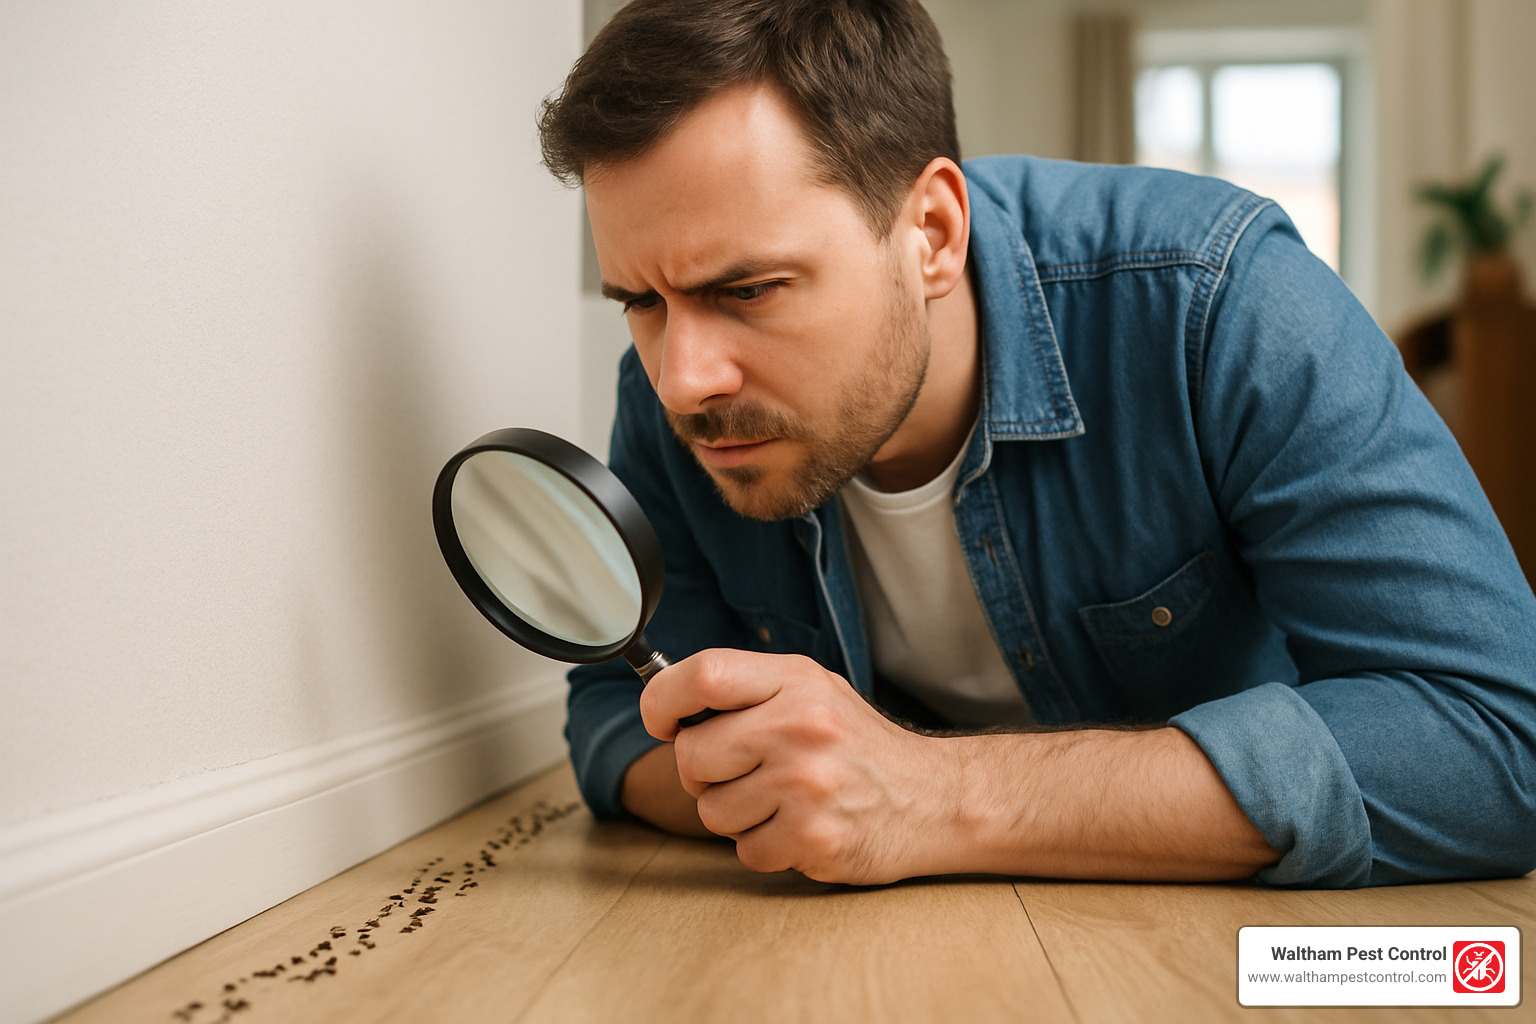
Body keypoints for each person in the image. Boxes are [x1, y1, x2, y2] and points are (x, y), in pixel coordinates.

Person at [537, 0, 1536, 887]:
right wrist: (794, 789)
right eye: (639, 301)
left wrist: (933, 794)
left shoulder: (1220, 305)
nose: (682, 380)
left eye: (747, 289)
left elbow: (1495, 740)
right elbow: (620, 716)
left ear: (932, 231)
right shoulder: (675, 397)